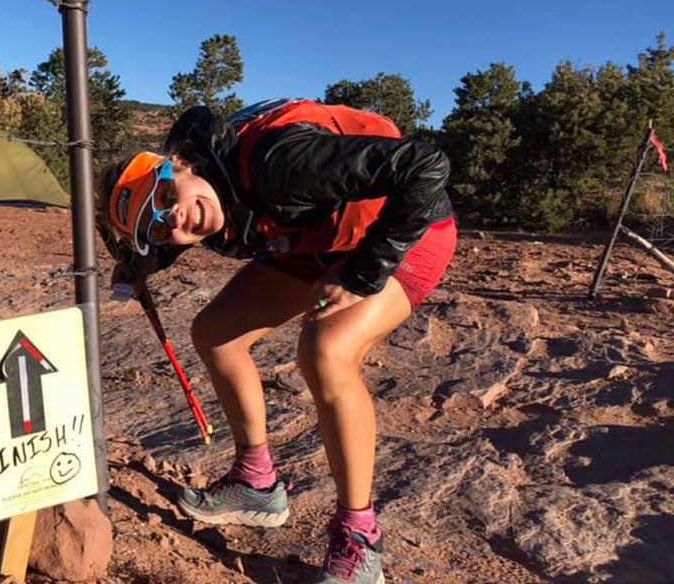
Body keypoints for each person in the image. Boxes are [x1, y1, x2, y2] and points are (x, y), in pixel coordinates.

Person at [97, 98, 455, 584]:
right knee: (216, 333)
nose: (177, 222)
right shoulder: (209, 191)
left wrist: (362, 274)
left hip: (407, 231)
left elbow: (426, 166)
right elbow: (188, 217)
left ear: (179, 165)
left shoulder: (280, 164)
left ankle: (359, 536)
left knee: (326, 351)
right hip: (321, 236)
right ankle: (256, 482)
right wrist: (145, 265)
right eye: (160, 229)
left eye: (164, 199)